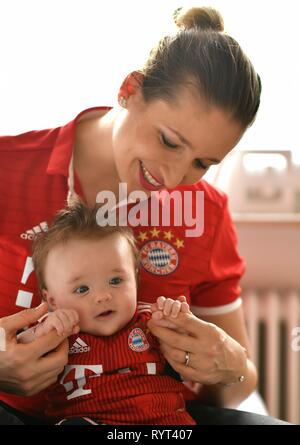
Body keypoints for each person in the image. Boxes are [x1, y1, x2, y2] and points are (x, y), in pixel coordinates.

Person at [0, 5, 288, 425]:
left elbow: (237, 386)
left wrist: (231, 366)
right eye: (169, 141)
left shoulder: (205, 211)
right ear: (129, 89)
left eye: (202, 163)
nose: (174, 178)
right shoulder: (8, 168)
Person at [17, 200, 195, 425]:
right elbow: (19, 351)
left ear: (136, 281)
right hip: (87, 420)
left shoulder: (151, 322)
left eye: (115, 280)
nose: (102, 296)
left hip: (161, 420)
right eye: (82, 289)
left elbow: (190, 362)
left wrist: (178, 323)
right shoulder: (57, 330)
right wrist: (43, 329)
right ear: (52, 300)